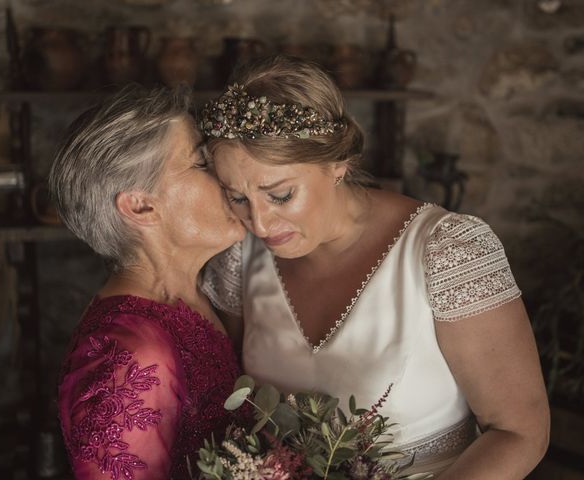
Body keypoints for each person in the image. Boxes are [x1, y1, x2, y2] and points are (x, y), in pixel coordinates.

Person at [200, 55, 550, 478]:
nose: (259, 222)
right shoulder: (239, 259)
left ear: (337, 164)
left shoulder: (448, 250)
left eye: (280, 194)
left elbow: (519, 430)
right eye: (237, 197)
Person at [49, 85, 246, 479]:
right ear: (141, 206)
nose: (226, 176)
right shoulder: (131, 353)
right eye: (202, 164)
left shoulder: (197, 295)